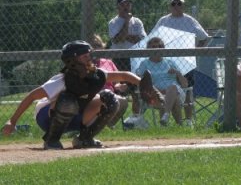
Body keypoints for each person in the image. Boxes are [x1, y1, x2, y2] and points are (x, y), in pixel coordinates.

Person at [2, 40, 160, 150]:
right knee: (69, 100)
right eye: (84, 56)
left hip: (76, 117)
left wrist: (145, 87)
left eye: (89, 55)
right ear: (72, 60)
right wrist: (12, 121)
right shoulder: (63, 80)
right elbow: (31, 96)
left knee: (109, 98)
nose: (89, 58)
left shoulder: (96, 74)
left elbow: (125, 75)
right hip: (47, 117)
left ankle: (84, 138)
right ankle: (52, 140)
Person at [136, 37, 190, 126]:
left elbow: (185, 85)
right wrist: (157, 91)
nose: (157, 48)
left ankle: (166, 115)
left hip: (176, 92)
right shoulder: (144, 64)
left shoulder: (170, 62)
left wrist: (178, 73)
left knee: (173, 88)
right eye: (154, 47)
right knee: (174, 97)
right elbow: (140, 81)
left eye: (160, 46)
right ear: (148, 49)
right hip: (155, 95)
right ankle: (179, 125)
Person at [108, 0, 147, 71]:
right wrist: (126, 21)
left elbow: (142, 40)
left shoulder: (137, 21)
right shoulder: (113, 22)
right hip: (119, 57)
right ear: (118, 7)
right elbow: (117, 40)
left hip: (136, 56)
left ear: (131, 6)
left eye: (128, 4)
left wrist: (124, 36)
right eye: (122, 5)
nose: (126, 7)